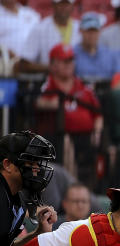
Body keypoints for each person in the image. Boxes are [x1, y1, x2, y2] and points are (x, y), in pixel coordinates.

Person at [35, 44, 103, 189]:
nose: (69, 65)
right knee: (66, 141)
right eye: (64, 61)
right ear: (53, 65)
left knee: (111, 149)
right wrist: (55, 103)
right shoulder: (47, 84)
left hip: (87, 136)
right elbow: (38, 102)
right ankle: (72, 188)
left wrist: (97, 132)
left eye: (71, 61)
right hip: (56, 137)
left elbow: (98, 114)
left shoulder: (82, 86)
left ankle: (97, 189)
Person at [17, 0, 80, 74]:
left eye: (66, 4)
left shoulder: (80, 28)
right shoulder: (40, 28)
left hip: (75, 80)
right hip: (47, 79)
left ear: (72, 7)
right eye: (60, 4)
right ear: (53, 5)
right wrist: (51, 68)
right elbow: (24, 64)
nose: (63, 8)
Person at [74, 12, 120, 82]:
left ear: (100, 31)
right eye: (88, 31)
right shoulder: (72, 55)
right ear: (81, 31)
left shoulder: (111, 55)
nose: (91, 35)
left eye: (95, 31)